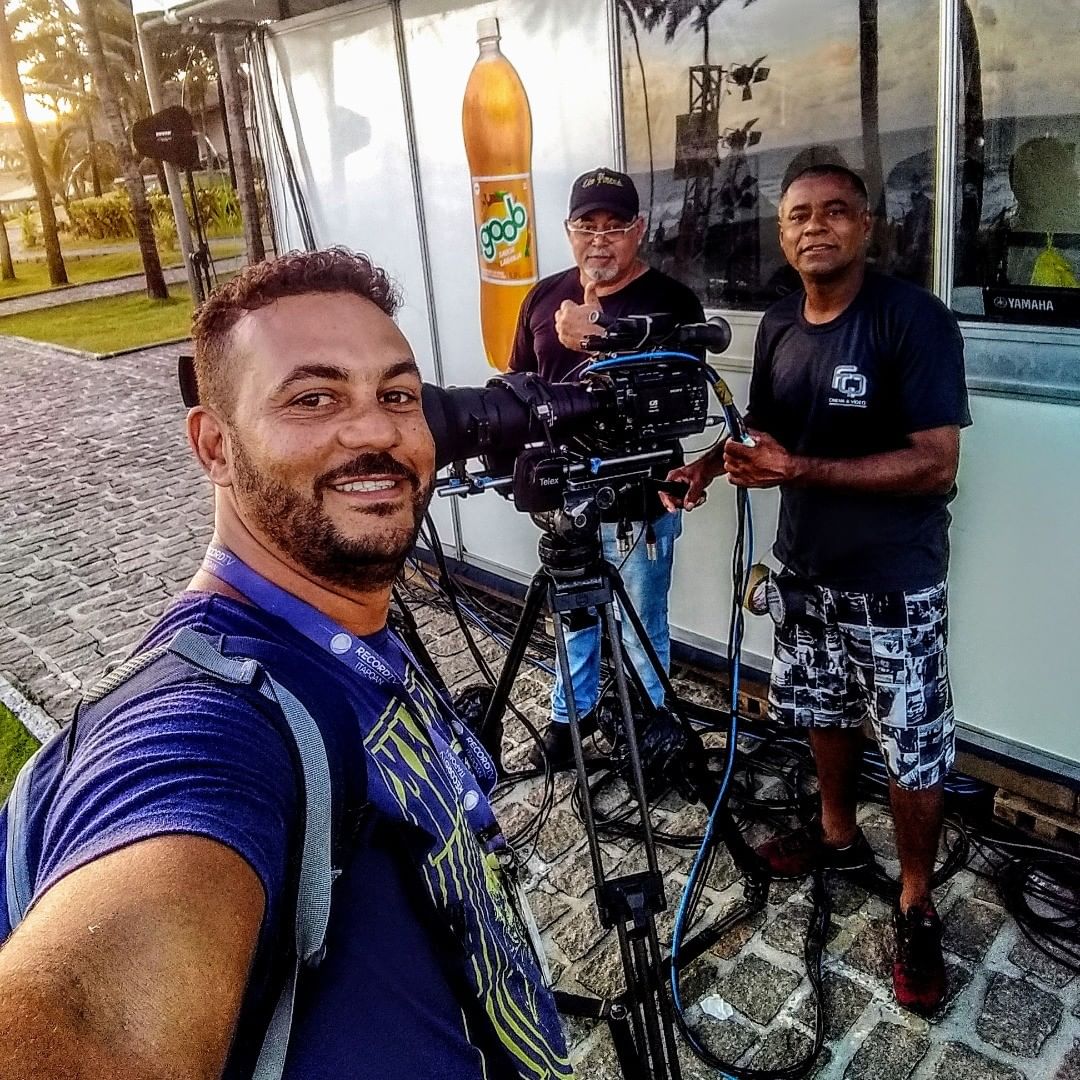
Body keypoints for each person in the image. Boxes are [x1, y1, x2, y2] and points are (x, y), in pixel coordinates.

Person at [0, 250, 572, 1080]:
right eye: (313, 397)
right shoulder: (207, 726)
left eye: (398, 396)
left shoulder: (349, 627)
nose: (376, 430)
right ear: (215, 446)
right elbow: (91, 1008)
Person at [664, 164, 971, 1016]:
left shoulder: (914, 320)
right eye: (798, 214)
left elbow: (936, 462)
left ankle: (915, 903)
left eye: (835, 211)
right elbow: (767, 434)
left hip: (893, 581)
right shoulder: (778, 323)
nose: (814, 227)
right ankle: (837, 834)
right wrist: (705, 466)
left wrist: (797, 468)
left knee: (912, 745)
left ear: (867, 225)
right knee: (824, 712)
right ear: (782, 230)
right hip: (805, 574)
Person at [510, 167, 704, 767]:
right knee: (573, 610)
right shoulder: (543, 297)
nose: (600, 239)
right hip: (566, 491)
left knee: (642, 615)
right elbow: (522, 383)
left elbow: (685, 398)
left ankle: (648, 728)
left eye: (614, 226)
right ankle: (574, 716)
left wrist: (599, 340)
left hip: (643, 493)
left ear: (638, 230)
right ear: (568, 231)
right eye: (585, 226)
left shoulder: (672, 301)